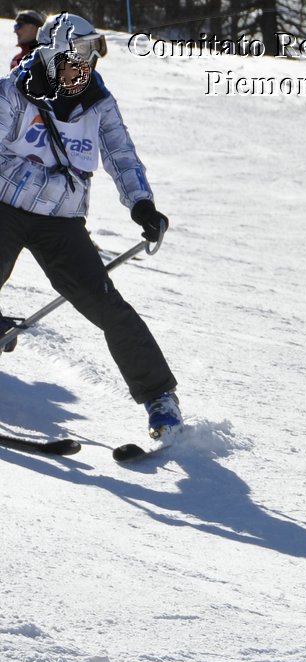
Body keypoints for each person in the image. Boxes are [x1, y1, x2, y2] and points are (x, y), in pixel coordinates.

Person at [0, 13, 180, 439]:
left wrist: (142, 205)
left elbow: (121, 156)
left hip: (61, 221)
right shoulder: (12, 93)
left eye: (91, 56)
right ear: (51, 53)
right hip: (4, 207)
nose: (86, 65)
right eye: (77, 55)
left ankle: (160, 398)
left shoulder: (98, 103)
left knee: (106, 306)